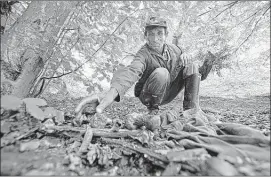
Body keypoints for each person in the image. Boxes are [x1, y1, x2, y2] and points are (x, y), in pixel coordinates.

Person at [76, 16, 211, 118]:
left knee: (192, 65)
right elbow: (131, 72)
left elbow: (189, 67)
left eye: (159, 33)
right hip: (149, 94)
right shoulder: (143, 54)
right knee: (162, 73)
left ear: (166, 35)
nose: (155, 38)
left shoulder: (175, 49)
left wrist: (186, 56)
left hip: (169, 91)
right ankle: (153, 111)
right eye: (151, 34)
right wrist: (110, 94)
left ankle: (191, 112)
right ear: (145, 36)